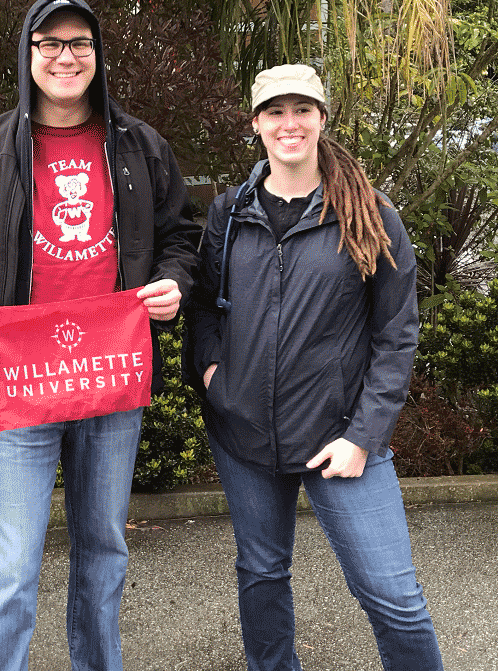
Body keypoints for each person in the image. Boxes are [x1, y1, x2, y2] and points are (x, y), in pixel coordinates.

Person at [0, 0, 200, 671]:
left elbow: (179, 237)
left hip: (109, 380)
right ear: (27, 54)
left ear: (97, 58)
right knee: (11, 566)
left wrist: (174, 283)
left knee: (103, 550)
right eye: (49, 43)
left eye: (79, 44)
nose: (65, 56)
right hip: (18, 384)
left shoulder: (138, 146)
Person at [184, 64, 443, 671]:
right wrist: (213, 375)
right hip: (244, 435)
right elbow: (204, 306)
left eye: (302, 110)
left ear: (323, 119)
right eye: (275, 112)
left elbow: (397, 333)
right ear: (256, 124)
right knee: (262, 574)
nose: (289, 124)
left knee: (394, 597)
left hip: (341, 440)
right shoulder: (229, 213)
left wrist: (362, 437)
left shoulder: (368, 213)